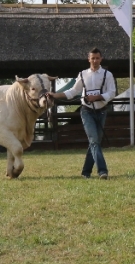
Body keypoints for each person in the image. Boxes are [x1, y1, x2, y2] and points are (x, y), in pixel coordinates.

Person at [49, 47, 116, 179]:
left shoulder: (107, 75)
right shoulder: (82, 74)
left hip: (101, 111)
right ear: (88, 59)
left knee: (94, 142)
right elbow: (73, 92)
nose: (95, 60)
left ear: (101, 59)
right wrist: (55, 95)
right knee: (94, 141)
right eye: (93, 58)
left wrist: (97, 97)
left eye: (97, 58)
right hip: (86, 111)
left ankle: (86, 172)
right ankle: (103, 171)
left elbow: (112, 92)